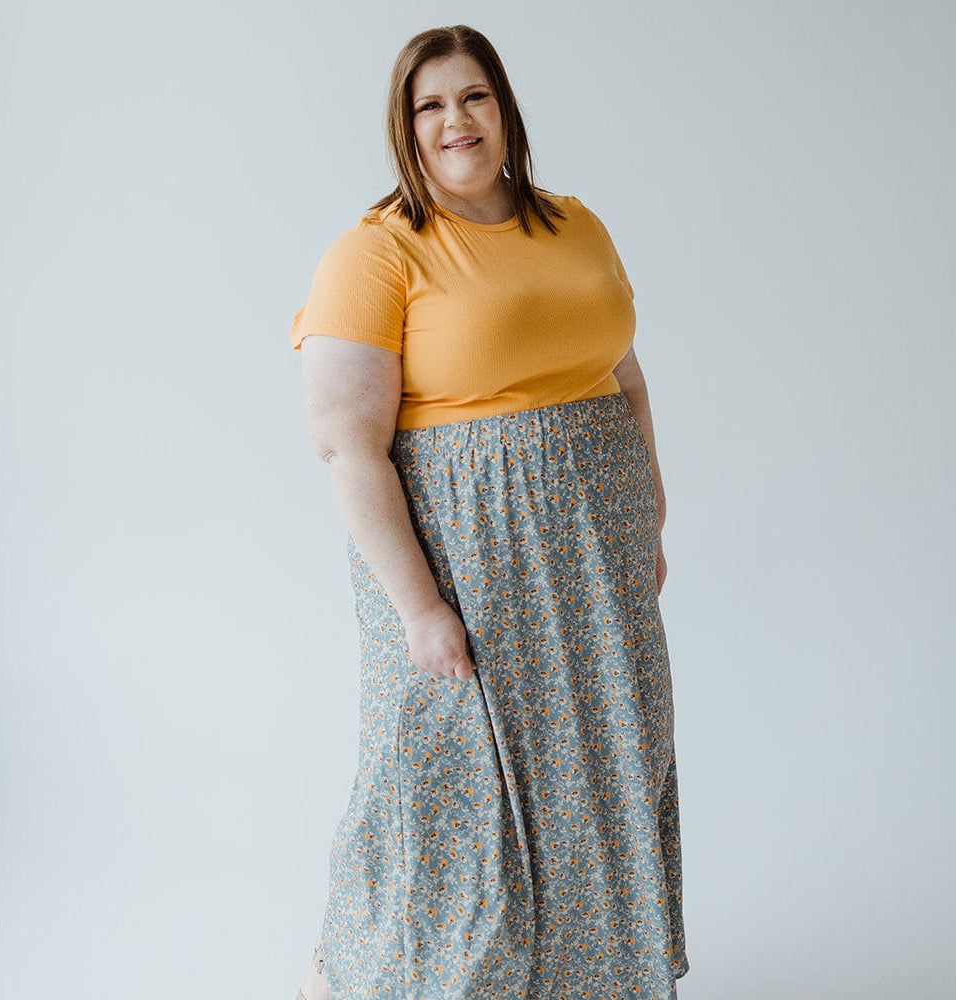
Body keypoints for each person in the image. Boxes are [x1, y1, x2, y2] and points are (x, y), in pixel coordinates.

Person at [290, 23, 688, 1000]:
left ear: (504, 107)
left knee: (594, 785)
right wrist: (420, 608)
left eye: (472, 96)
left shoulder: (576, 225)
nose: (454, 120)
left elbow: (624, 380)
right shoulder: (377, 251)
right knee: (438, 802)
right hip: (457, 567)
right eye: (429, 105)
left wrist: (650, 523)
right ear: (404, 128)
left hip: (595, 564)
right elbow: (347, 440)